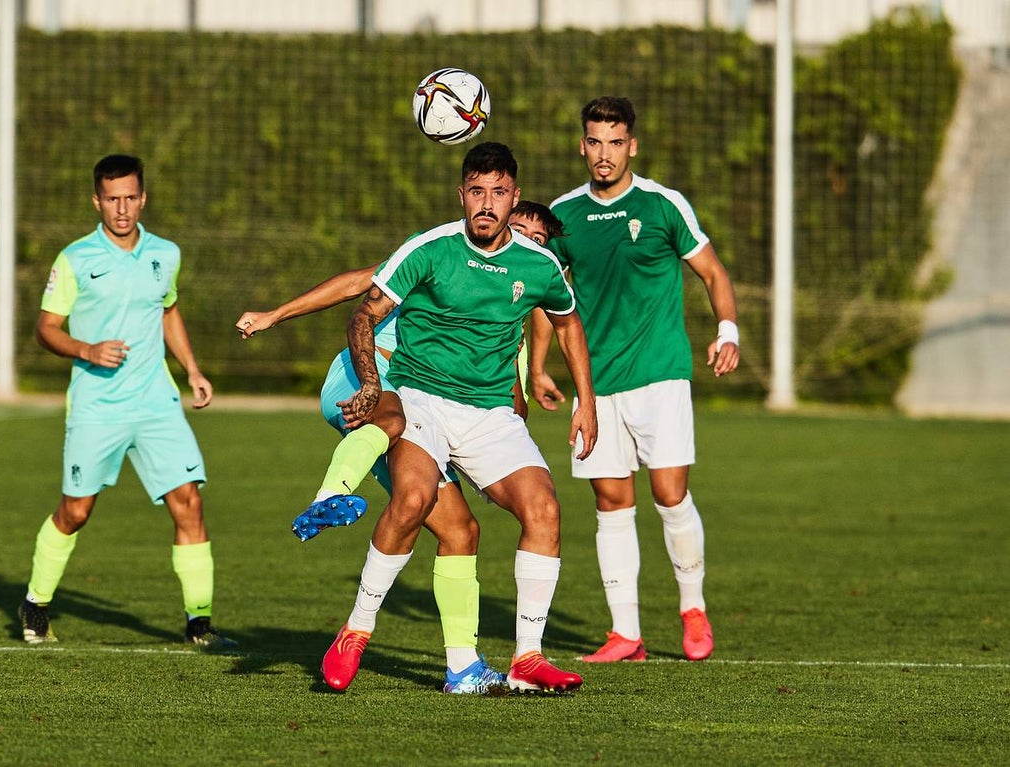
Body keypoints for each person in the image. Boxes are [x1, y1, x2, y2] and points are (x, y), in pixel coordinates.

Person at [233, 202, 566, 695]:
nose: (525, 244)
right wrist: (275, 315)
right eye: (520, 230)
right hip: (370, 372)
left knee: (457, 528)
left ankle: (463, 669)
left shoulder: (506, 318)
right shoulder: (441, 253)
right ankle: (329, 496)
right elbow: (355, 286)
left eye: (538, 242)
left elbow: (510, 400)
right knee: (394, 418)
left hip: (427, 406)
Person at [321, 142, 597, 693]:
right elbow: (364, 313)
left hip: (489, 412)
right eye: (477, 191)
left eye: (498, 193)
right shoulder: (430, 249)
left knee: (543, 507)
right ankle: (357, 628)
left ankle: (526, 658)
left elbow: (567, 323)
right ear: (462, 195)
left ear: (513, 197)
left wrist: (586, 400)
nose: (487, 204)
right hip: (422, 400)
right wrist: (374, 383)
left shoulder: (537, 263)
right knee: (414, 499)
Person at [529, 96, 740, 663]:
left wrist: (728, 330)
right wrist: (537, 366)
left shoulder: (663, 205)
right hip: (595, 387)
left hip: (660, 375)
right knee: (611, 504)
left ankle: (693, 610)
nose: (604, 154)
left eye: (615, 142)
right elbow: (546, 295)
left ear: (632, 146)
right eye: (595, 142)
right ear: (582, 145)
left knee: (670, 494)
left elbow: (712, 271)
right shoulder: (563, 216)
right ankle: (626, 635)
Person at [18, 154, 234, 652]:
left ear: (143, 198)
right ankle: (35, 601)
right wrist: (86, 349)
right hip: (97, 405)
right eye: (112, 199)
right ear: (97, 201)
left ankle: (199, 624)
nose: (122, 208)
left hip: (156, 402)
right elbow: (45, 329)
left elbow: (168, 312)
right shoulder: (74, 259)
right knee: (76, 511)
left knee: (190, 503)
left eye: (130, 197)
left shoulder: (166, 253)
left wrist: (193, 370)